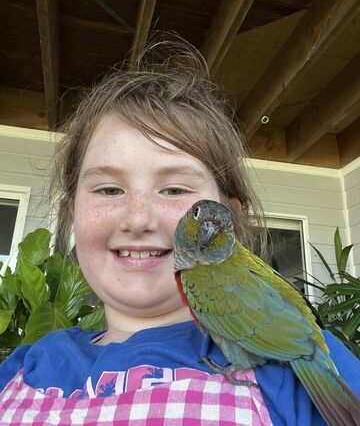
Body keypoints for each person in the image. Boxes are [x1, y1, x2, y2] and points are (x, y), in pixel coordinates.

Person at [0, 39, 359, 425]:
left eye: (174, 189)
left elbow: (304, 348)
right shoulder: (18, 376)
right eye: (108, 189)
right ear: (72, 214)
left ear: (229, 220)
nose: (138, 220)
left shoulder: (296, 379)